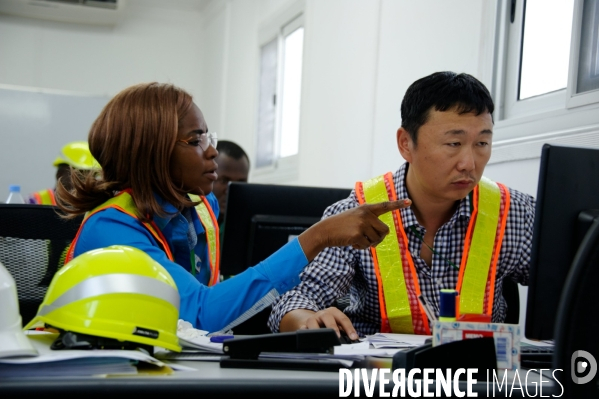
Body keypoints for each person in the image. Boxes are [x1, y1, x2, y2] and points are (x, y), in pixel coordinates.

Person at [55, 82, 411, 334]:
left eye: (208, 136)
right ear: (151, 151)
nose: (212, 151)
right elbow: (199, 313)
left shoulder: (197, 208)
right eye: (196, 140)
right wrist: (317, 237)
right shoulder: (112, 229)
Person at [268, 71, 536, 340]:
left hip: (480, 378)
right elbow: (295, 301)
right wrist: (309, 319)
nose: (469, 163)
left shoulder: (515, 212)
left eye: (482, 143)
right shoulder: (356, 214)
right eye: (453, 143)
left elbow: (567, 288)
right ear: (406, 143)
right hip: (379, 377)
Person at [28, 141, 99, 205]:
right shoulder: (35, 201)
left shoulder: (97, 203)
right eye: (79, 176)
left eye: (93, 176)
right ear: (60, 174)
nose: (86, 182)